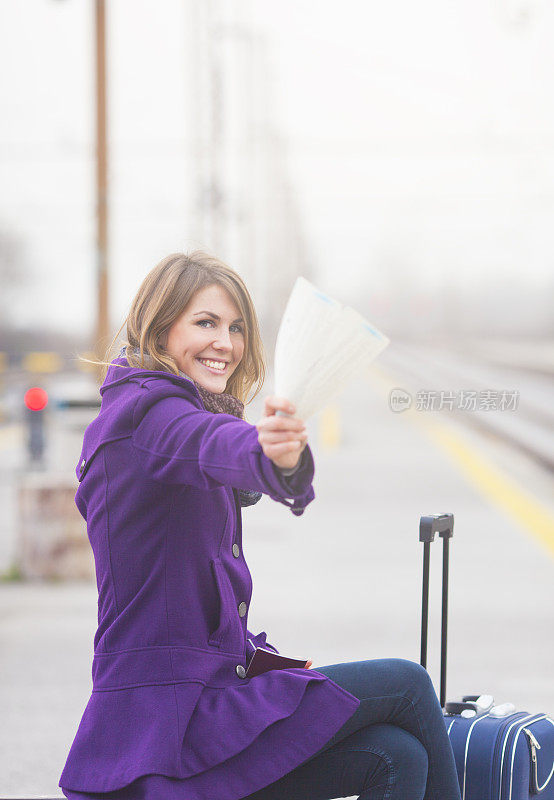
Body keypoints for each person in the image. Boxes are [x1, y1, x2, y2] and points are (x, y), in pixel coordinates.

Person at [59, 251, 462, 800]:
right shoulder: (148, 415)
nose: (225, 342)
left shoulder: (165, 410)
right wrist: (270, 453)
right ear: (158, 328)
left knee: (394, 757)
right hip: (170, 720)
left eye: (236, 327)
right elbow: (210, 445)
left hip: (207, 698)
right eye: (205, 323)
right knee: (409, 685)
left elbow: (218, 452)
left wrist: (280, 460)